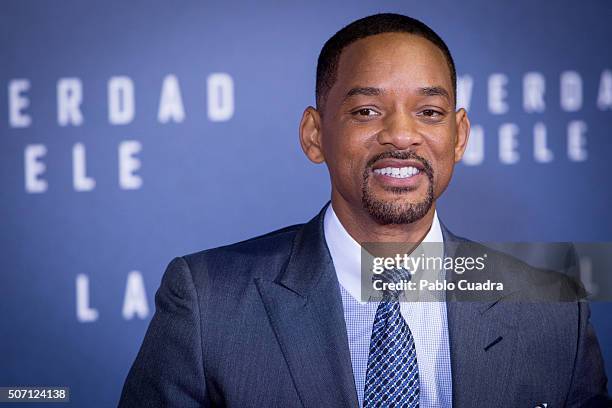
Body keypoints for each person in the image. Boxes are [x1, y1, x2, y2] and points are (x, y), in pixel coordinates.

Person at [119, 13, 609, 407]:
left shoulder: (554, 310)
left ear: (459, 136)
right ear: (315, 135)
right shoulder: (207, 303)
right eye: (366, 111)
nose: (400, 135)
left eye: (429, 112)